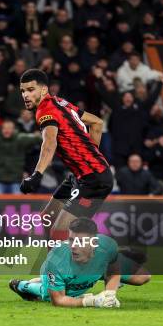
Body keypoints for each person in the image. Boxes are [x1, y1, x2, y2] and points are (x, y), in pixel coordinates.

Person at [19, 69, 113, 243]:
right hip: (81, 175)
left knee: (60, 231)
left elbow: (49, 144)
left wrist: (36, 175)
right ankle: (51, 266)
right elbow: (97, 123)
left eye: (31, 90)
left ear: (44, 90)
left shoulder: (45, 110)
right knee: (47, 218)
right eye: (23, 91)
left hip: (94, 179)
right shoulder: (60, 103)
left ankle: (74, 268)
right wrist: (89, 154)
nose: (25, 95)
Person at [9, 217, 150, 307]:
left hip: (99, 265)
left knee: (143, 277)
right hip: (61, 272)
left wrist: (109, 294)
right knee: (51, 295)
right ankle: (23, 285)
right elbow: (58, 300)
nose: (73, 246)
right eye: (71, 240)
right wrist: (92, 301)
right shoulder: (55, 261)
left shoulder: (107, 247)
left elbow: (113, 271)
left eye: (80, 241)